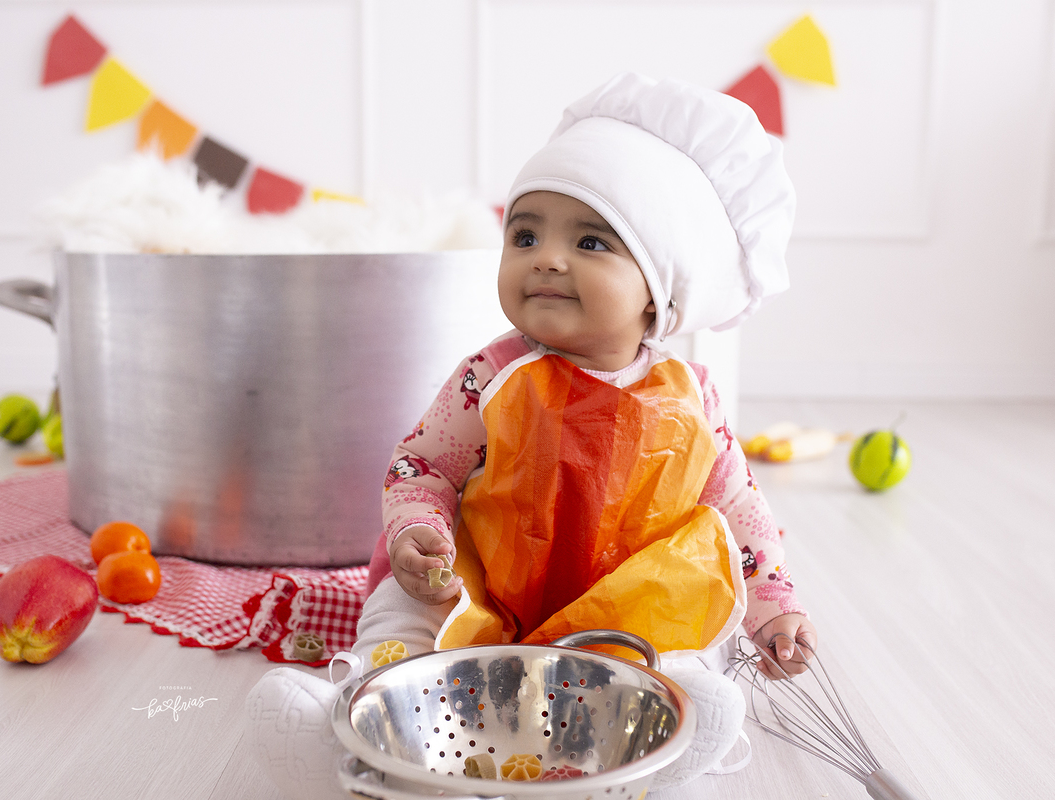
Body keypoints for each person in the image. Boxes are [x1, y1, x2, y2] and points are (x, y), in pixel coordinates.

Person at [247, 72, 816, 799]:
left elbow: (740, 511)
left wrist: (776, 607)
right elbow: (423, 465)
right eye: (525, 234)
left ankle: (671, 737)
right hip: (483, 582)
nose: (546, 256)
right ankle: (350, 722)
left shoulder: (691, 400)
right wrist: (418, 532)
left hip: (621, 605)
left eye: (589, 240)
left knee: (691, 648)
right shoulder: (492, 376)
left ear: (659, 292)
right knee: (404, 613)